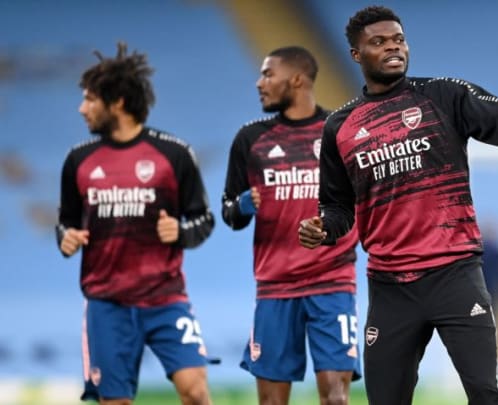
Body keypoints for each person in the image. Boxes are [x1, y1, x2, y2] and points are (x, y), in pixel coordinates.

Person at [298, 6, 498, 405]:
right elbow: (338, 207)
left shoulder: (443, 95)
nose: (393, 48)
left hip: (454, 275)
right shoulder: (341, 126)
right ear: (356, 54)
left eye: (399, 39)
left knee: (486, 396)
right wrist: (323, 227)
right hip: (390, 287)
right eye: (379, 42)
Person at [56, 42, 215, 405]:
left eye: (90, 99)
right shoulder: (78, 160)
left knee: (195, 390)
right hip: (106, 305)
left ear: (119, 103)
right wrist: (66, 237)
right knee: (115, 402)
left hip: (165, 298)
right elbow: (65, 223)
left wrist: (182, 232)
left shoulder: (173, 155)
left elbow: (203, 219)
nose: (82, 109)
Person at [222, 46, 361, 405]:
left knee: (336, 398)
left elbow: (362, 204)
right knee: (271, 402)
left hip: (332, 284)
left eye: (268, 74)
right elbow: (228, 213)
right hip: (275, 288)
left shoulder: (342, 133)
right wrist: (242, 205)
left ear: (297, 79)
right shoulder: (250, 139)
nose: (259, 82)